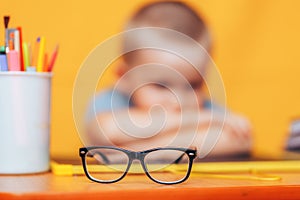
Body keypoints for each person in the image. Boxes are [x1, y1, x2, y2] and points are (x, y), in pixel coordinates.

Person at [85, 1, 252, 157]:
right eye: (160, 85)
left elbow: (241, 141)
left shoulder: (207, 106)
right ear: (123, 78)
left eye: (193, 85)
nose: (179, 100)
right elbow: (104, 132)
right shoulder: (110, 102)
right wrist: (202, 119)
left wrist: (139, 153)